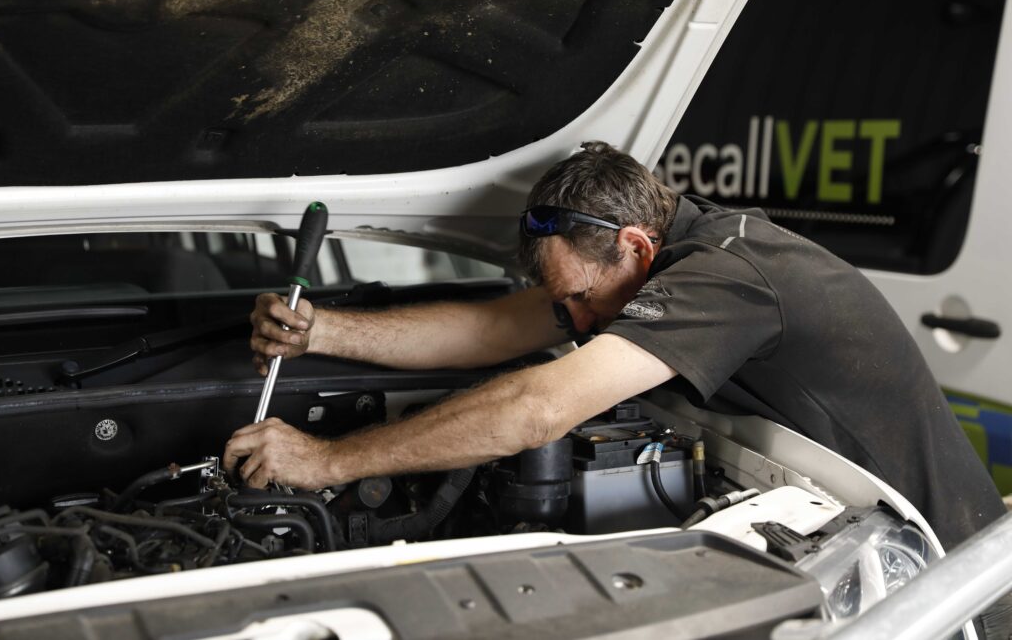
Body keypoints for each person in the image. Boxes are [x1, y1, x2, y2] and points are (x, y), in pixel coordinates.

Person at [225, 140, 1005, 553]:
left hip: (944, 566)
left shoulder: (729, 276)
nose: (580, 323)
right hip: (857, 535)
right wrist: (323, 331)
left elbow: (539, 407)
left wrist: (328, 460)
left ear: (635, 243)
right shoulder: (649, 261)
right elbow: (496, 328)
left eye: (583, 300)